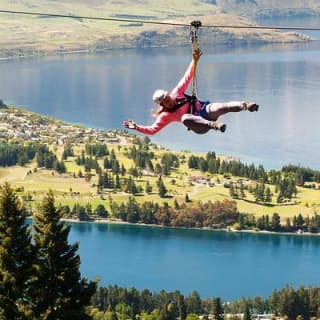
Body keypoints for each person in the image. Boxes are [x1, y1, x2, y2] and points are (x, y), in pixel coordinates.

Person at [123, 49, 259, 135]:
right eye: (166, 101)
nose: (169, 100)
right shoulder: (165, 116)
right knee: (185, 118)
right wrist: (136, 127)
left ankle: (246, 105)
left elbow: (188, 76)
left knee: (219, 107)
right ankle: (214, 126)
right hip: (200, 126)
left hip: (205, 111)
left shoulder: (177, 93)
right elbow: (152, 130)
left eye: (168, 97)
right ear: (163, 105)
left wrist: (194, 61)